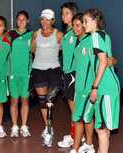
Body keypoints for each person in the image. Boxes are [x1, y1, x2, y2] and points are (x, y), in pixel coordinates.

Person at [82, 9, 120, 153]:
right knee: (104, 128)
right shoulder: (105, 36)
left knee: (101, 129)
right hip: (108, 85)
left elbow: (103, 62)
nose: (84, 24)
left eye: (86, 21)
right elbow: (107, 60)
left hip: (106, 87)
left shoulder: (96, 36)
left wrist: (94, 87)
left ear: (95, 21)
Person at [31, 9, 63, 145]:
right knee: (42, 101)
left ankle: (49, 131)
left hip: (53, 70)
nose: (45, 21)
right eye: (43, 18)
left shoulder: (59, 34)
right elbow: (32, 50)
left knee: (50, 101)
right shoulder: (35, 34)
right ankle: (48, 128)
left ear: (53, 21)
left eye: (48, 19)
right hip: (38, 69)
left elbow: (68, 49)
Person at [70, 13, 95, 153]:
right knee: (79, 117)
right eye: (73, 25)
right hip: (78, 88)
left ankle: (87, 145)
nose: (75, 28)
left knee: (84, 117)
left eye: (78, 25)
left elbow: (103, 60)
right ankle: (80, 146)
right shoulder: (77, 41)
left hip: (88, 88)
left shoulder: (91, 40)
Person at [8, 10, 33, 138]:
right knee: (14, 101)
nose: (21, 21)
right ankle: (14, 126)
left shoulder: (32, 34)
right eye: (19, 19)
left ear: (27, 21)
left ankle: (23, 125)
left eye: (24, 19)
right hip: (12, 73)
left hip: (26, 73)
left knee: (25, 100)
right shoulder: (10, 34)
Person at [58, 2, 79, 148]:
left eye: (66, 13)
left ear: (73, 15)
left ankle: (76, 137)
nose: (63, 16)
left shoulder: (77, 34)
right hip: (66, 74)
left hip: (74, 74)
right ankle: (76, 135)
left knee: (75, 109)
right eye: (62, 13)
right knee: (73, 108)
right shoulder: (66, 35)